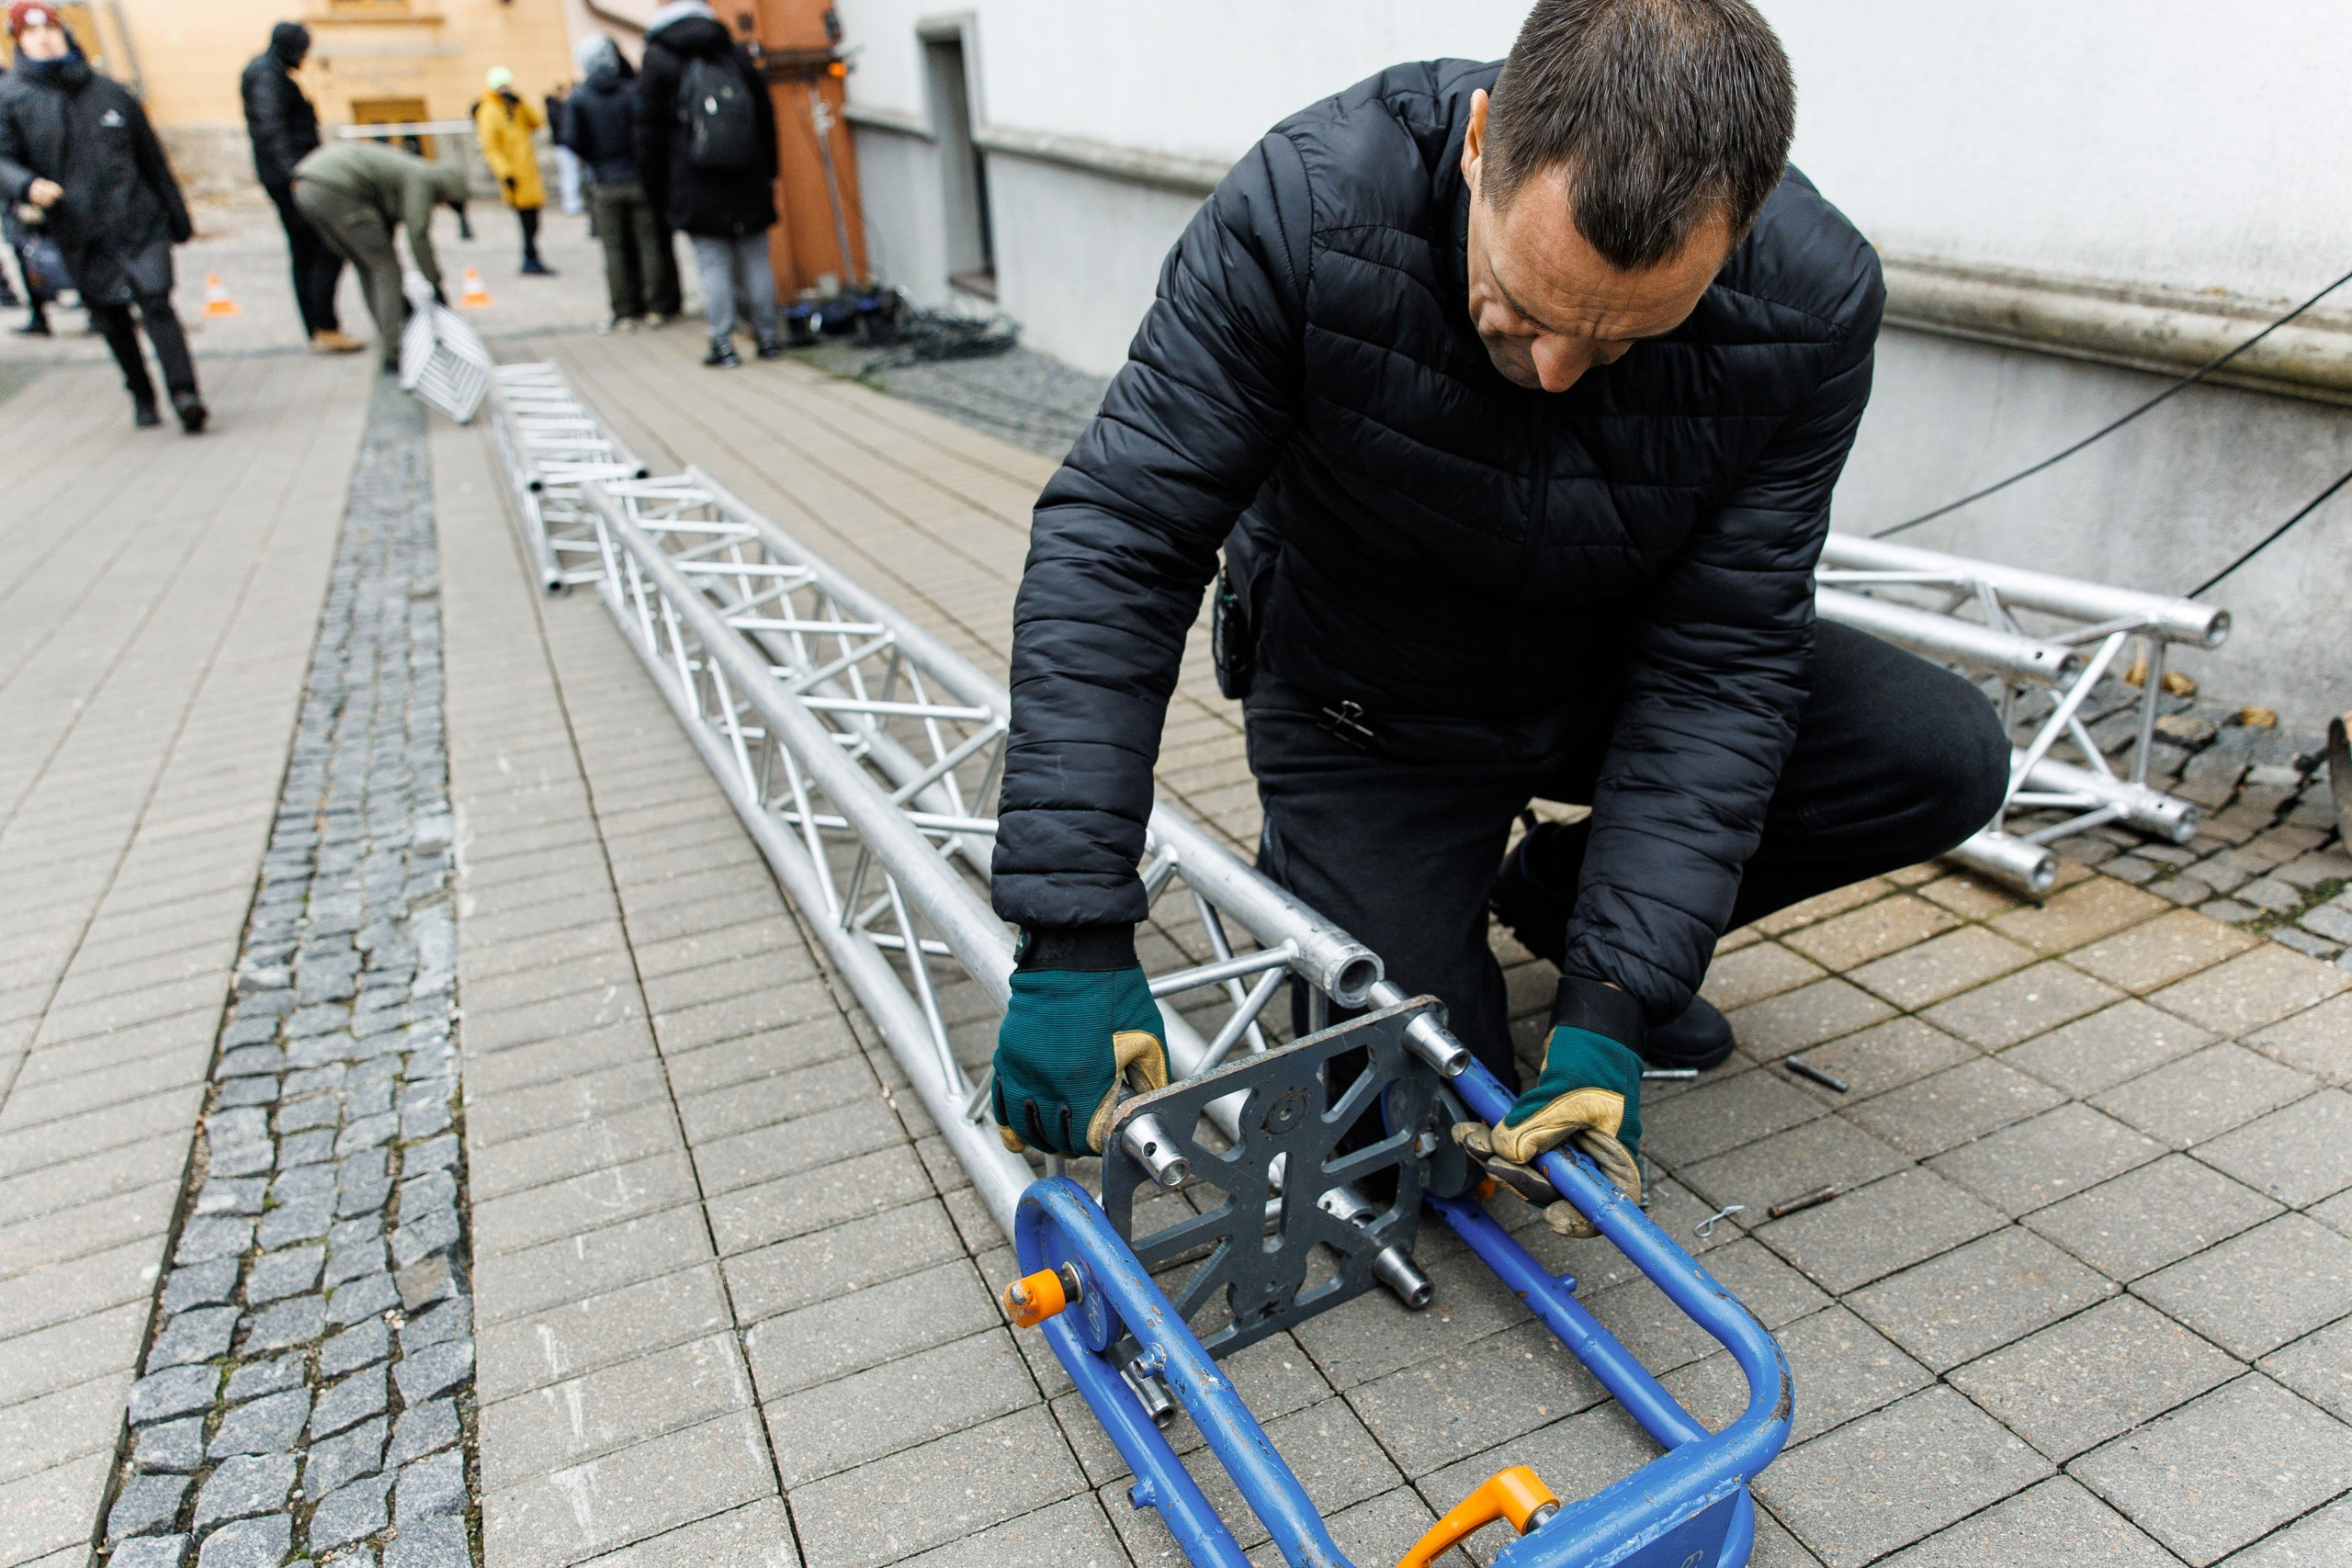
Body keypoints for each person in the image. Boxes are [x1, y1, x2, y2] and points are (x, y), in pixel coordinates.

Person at [982, 0, 2008, 1226]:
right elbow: (1124, 538)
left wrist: (1613, 1000)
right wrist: (1071, 932)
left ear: (1739, 226)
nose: (1560, 372)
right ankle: (1350, 875)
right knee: (1416, 1156)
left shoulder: (1814, 299)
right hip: (1372, 707)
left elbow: (1722, 663)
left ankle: (1563, 904)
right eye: (1524, 307)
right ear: (1480, 146)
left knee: (1943, 754)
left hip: (1597, 676)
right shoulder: (1306, 212)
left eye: (1628, 338)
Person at [0, 2, 206, 431]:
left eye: (51, 31)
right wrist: (27, 185)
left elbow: (152, 160)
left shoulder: (110, 92)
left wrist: (178, 217)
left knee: (157, 303)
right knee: (111, 316)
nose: (44, 39)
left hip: (137, 219)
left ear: (65, 34)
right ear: (18, 42)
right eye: (31, 34)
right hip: (78, 227)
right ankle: (142, 395)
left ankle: (185, 394)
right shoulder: (12, 99)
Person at [636, 0, 781, 367]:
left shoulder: (659, 59)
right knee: (756, 258)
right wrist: (769, 171)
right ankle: (768, 338)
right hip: (747, 174)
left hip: (694, 180)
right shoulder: (732, 53)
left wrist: (656, 190)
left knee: (712, 263)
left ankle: (723, 343)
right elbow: (765, 115)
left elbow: (648, 131)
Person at [288, 139, 468, 372]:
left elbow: (385, 226)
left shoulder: (403, 172)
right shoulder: (422, 177)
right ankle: (393, 350)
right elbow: (418, 234)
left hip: (306, 187)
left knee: (368, 266)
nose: (440, 205)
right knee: (386, 269)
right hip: (334, 187)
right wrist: (435, 286)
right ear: (448, 188)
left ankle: (390, 334)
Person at [240, 22, 360, 355]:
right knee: (325, 246)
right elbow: (272, 129)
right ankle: (324, 326)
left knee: (306, 251)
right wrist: (296, 176)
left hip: (289, 175)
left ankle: (319, 327)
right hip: (293, 179)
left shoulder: (270, 73)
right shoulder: (267, 76)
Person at [562, 35, 679, 332]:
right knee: (649, 245)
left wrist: (595, 161)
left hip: (605, 182)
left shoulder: (579, 98)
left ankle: (625, 311)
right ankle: (656, 307)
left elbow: (572, 139)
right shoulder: (630, 92)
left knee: (614, 250)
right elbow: (647, 132)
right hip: (637, 179)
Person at [474, 67, 551, 276]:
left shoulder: (516, 107)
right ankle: (530, 259)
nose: (505, 90)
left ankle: (532, 257)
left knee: (534, 219)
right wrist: (505, 173)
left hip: (529, 172)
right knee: (526, 220)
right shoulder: (489, 110)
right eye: (501, 87)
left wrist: (522, 103)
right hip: (514, 175)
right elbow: (491, 147)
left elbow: (537, 123)